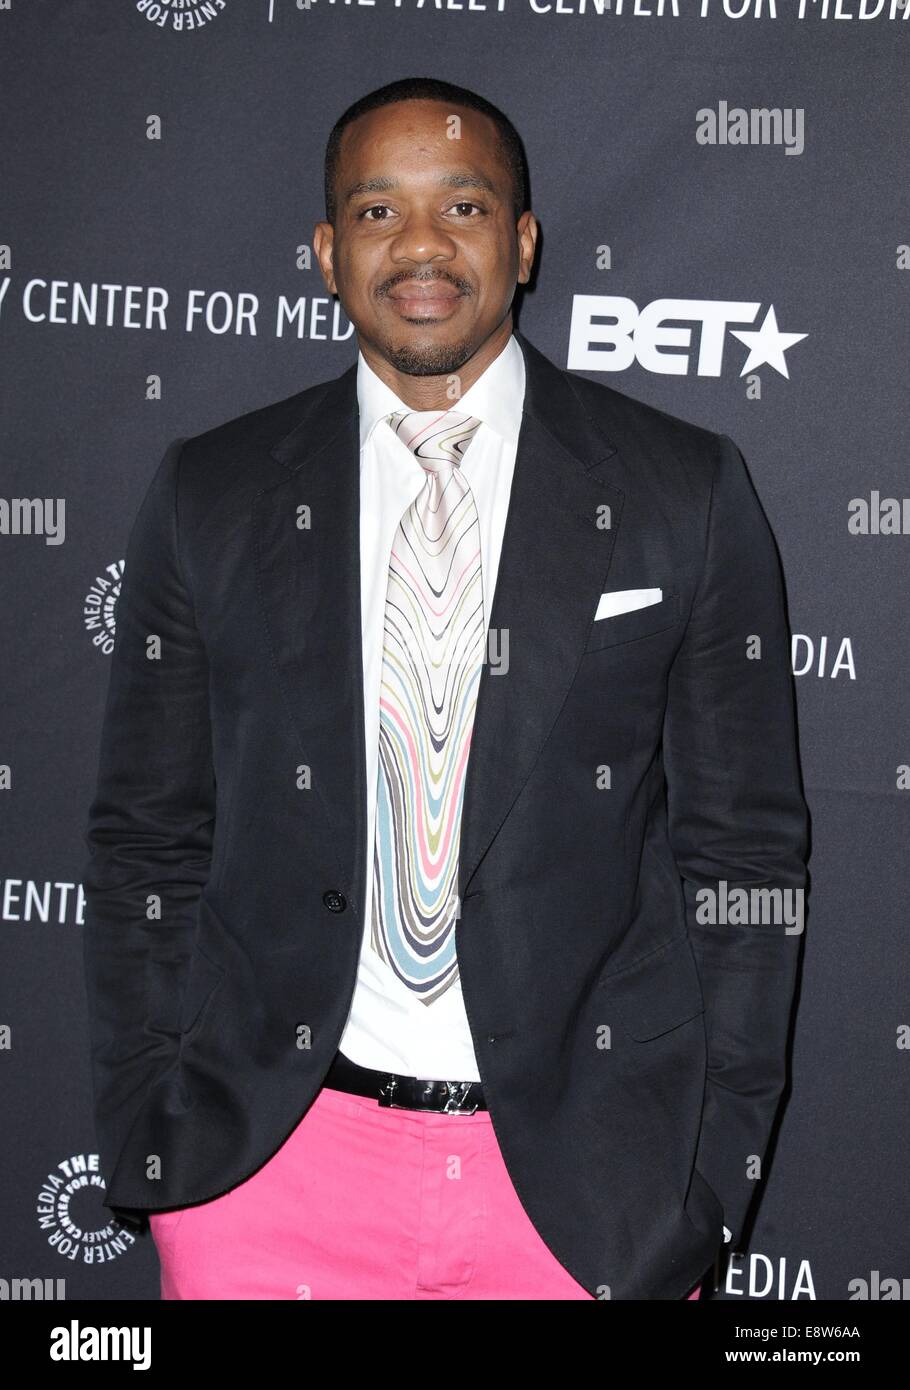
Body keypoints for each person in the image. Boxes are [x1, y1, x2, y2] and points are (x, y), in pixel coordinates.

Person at [81, 76, 809, 1301]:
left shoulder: (681, 486)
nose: (420, 243)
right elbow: (145, 835)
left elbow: (745, 854)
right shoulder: (213, 492)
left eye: (462, 204)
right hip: (269, 1173)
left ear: (522, 245)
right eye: (376, 212)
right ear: (325, 253)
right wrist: (162, 1134)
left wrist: (709, 1172)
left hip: (587, 1190)